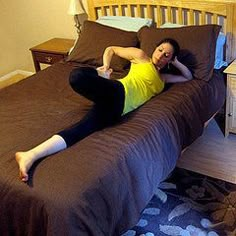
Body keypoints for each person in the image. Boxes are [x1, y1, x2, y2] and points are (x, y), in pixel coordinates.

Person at [15, 38, 193, 182]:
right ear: (155, 48)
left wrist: (176, 62)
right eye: (160, 49)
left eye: (167, 55)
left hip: (117, 111)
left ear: (170, 60)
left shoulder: (163, 78)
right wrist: (105, 68)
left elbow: (188, 76)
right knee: (77, 76)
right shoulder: (140, 56)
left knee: (79, 131)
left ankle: (30, 155)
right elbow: (111, 48)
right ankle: (99, 77)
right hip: (118, 91)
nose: (161, 55)